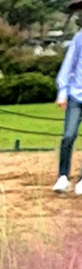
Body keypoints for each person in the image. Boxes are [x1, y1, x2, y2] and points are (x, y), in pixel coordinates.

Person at [53, 27, 82, 193]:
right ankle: (63, 176)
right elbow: (68, 64)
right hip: (76, 96)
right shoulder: (79, 38)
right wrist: (62, 92)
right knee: (68, 136)